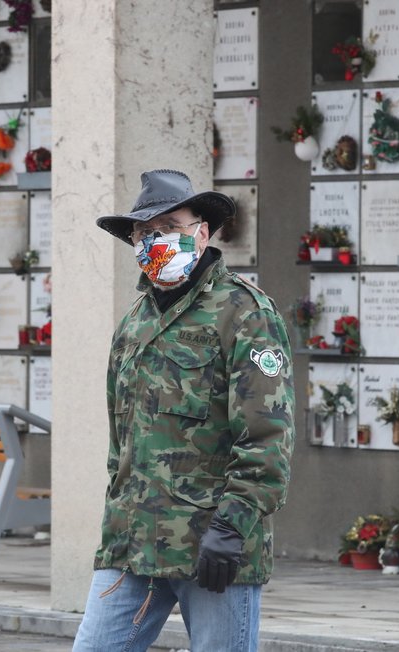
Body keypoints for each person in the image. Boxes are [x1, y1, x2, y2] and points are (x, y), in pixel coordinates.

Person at [73, 169, 296, 652]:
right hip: (132, 544)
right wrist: (117, 517)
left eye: (169, 227)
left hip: (211, 544)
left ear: (201, 230)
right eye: (144, 232)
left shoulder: (243, 311)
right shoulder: (135, 320)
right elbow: (121, 438)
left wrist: (232, 524)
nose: (155, 240)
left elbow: (268, 435)